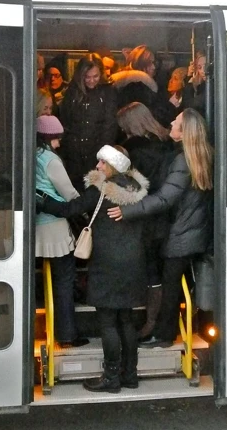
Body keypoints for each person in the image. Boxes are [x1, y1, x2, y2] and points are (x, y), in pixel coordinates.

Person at [38, 145, 149, 393]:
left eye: (102, 163)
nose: (97, 167)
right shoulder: (137, 189)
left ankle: (111, 378)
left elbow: (69, 209)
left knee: (108, 321)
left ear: (112, 166)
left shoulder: (100, 191)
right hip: (133, 262)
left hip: (107, 263)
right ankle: (129, 375)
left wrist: (42, 200)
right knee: (127, 320)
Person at [107, 108, 213, 348]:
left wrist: (128, 210)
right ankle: (163, 332)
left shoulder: (182, 160)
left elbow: (166, 198)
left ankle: (164, 335)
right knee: (172, 283)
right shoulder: (198, 155)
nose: (170, 123)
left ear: (183, 132)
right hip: (191, 231)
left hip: (181, 234)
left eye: (175, 122)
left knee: (170, 285)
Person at [116, 102, 176, 339]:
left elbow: (130, 187)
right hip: (165, 216)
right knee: (157, 273)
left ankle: (144, 323)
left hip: (140, 216)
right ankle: (154, 321)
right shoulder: (167, 145)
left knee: (146, 270)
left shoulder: (133, 152)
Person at [35, 115, 89, 348]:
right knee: (64, 282)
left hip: (36, 226)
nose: (59, 142)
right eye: (57, 138)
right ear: (49, 138)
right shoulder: (50, 160)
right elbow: (68, 193)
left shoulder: (30, 156)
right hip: (56, 229)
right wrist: (84, 211)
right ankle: (67, 334)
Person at [58, 53, 118, 191]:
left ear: (101, 74)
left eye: (95, 76)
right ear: (81, 76)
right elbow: (66, 121)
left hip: (97, 153)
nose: (91, 81)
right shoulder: (72, 92)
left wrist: (103, 155)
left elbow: (109, 126)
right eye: (87, 77)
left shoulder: (108, 92)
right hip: (74, 153)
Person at [110, 44, 176, 127]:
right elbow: (156, 116)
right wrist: (171, 106)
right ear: (139, 64)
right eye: (149, 63)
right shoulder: (136, 88)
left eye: (154, 63)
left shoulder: (130, 84)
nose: (154, 67)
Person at [182, 50, 207, 117]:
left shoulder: (213, 86)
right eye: (199, 67)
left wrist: (189, 85)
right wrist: (189, 76)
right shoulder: (201, 85)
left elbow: (190, 107)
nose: (203, 71)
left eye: (206, 66)